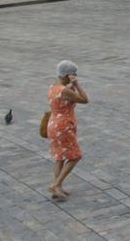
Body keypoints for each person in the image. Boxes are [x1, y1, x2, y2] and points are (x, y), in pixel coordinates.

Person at [47, 60, 88, 200]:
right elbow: (84, 99)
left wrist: (71, 86)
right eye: (73, 74)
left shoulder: (53, 87)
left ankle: (57, 188)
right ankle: (55, 184)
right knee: (75, 156)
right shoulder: (65, 90)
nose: (75, 76)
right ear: (67, 75)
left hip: (53, 124)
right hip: (63, 126)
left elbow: (68, 98)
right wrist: (76, 84)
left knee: (59, 158)